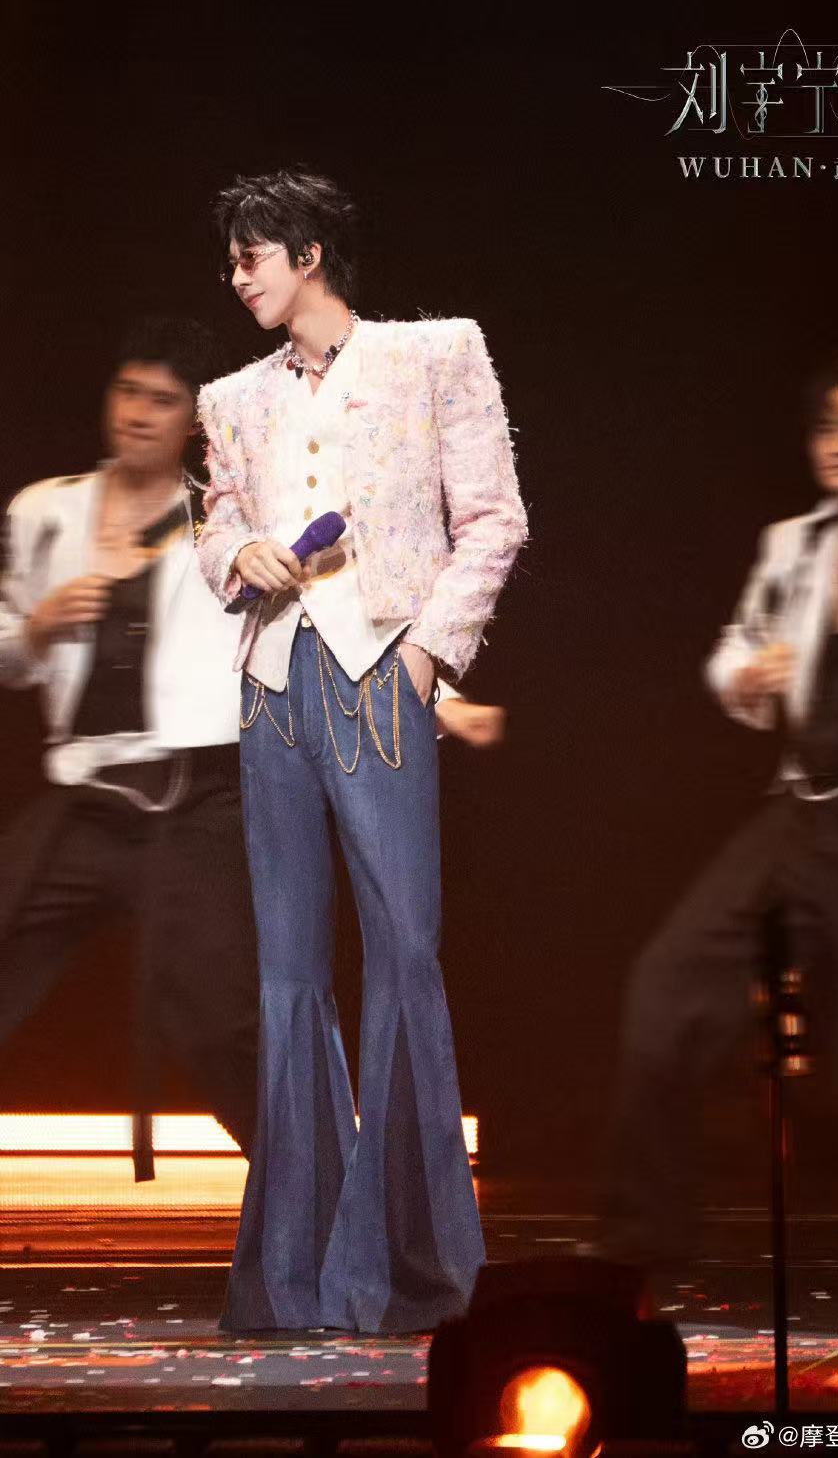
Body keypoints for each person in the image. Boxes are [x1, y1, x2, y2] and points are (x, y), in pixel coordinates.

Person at [196, 167, 527, 1334]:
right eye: (232, 259)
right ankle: (293, 1274)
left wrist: (430, 653)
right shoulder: (231, 397)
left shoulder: (435, 353)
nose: (237, 277)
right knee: (289, 970)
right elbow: (218, 520)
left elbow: (493, 517)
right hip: (274, 686)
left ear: (307, 254)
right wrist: (237, 553)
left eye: (251, 256)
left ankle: (409, 1269)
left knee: (402, 952)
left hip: (381, 671)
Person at [603, 346, 838, 1263]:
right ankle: (647, 1239)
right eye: (828, 427)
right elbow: (735, 646)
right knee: (666, 985)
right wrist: (745, 676)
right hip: (804, 808)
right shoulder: (792, 543)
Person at [0, 318, 260, 1168]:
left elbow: (308, 630)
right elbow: (8, 652)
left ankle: (325, 1208)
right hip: (87, 801)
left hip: (197, 804)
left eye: (162, 400)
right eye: (127, 391)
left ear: (193, 419)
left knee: (220, 1022)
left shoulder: (224, 522)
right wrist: (37, 627)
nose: (138, 413)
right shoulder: (45, 511)